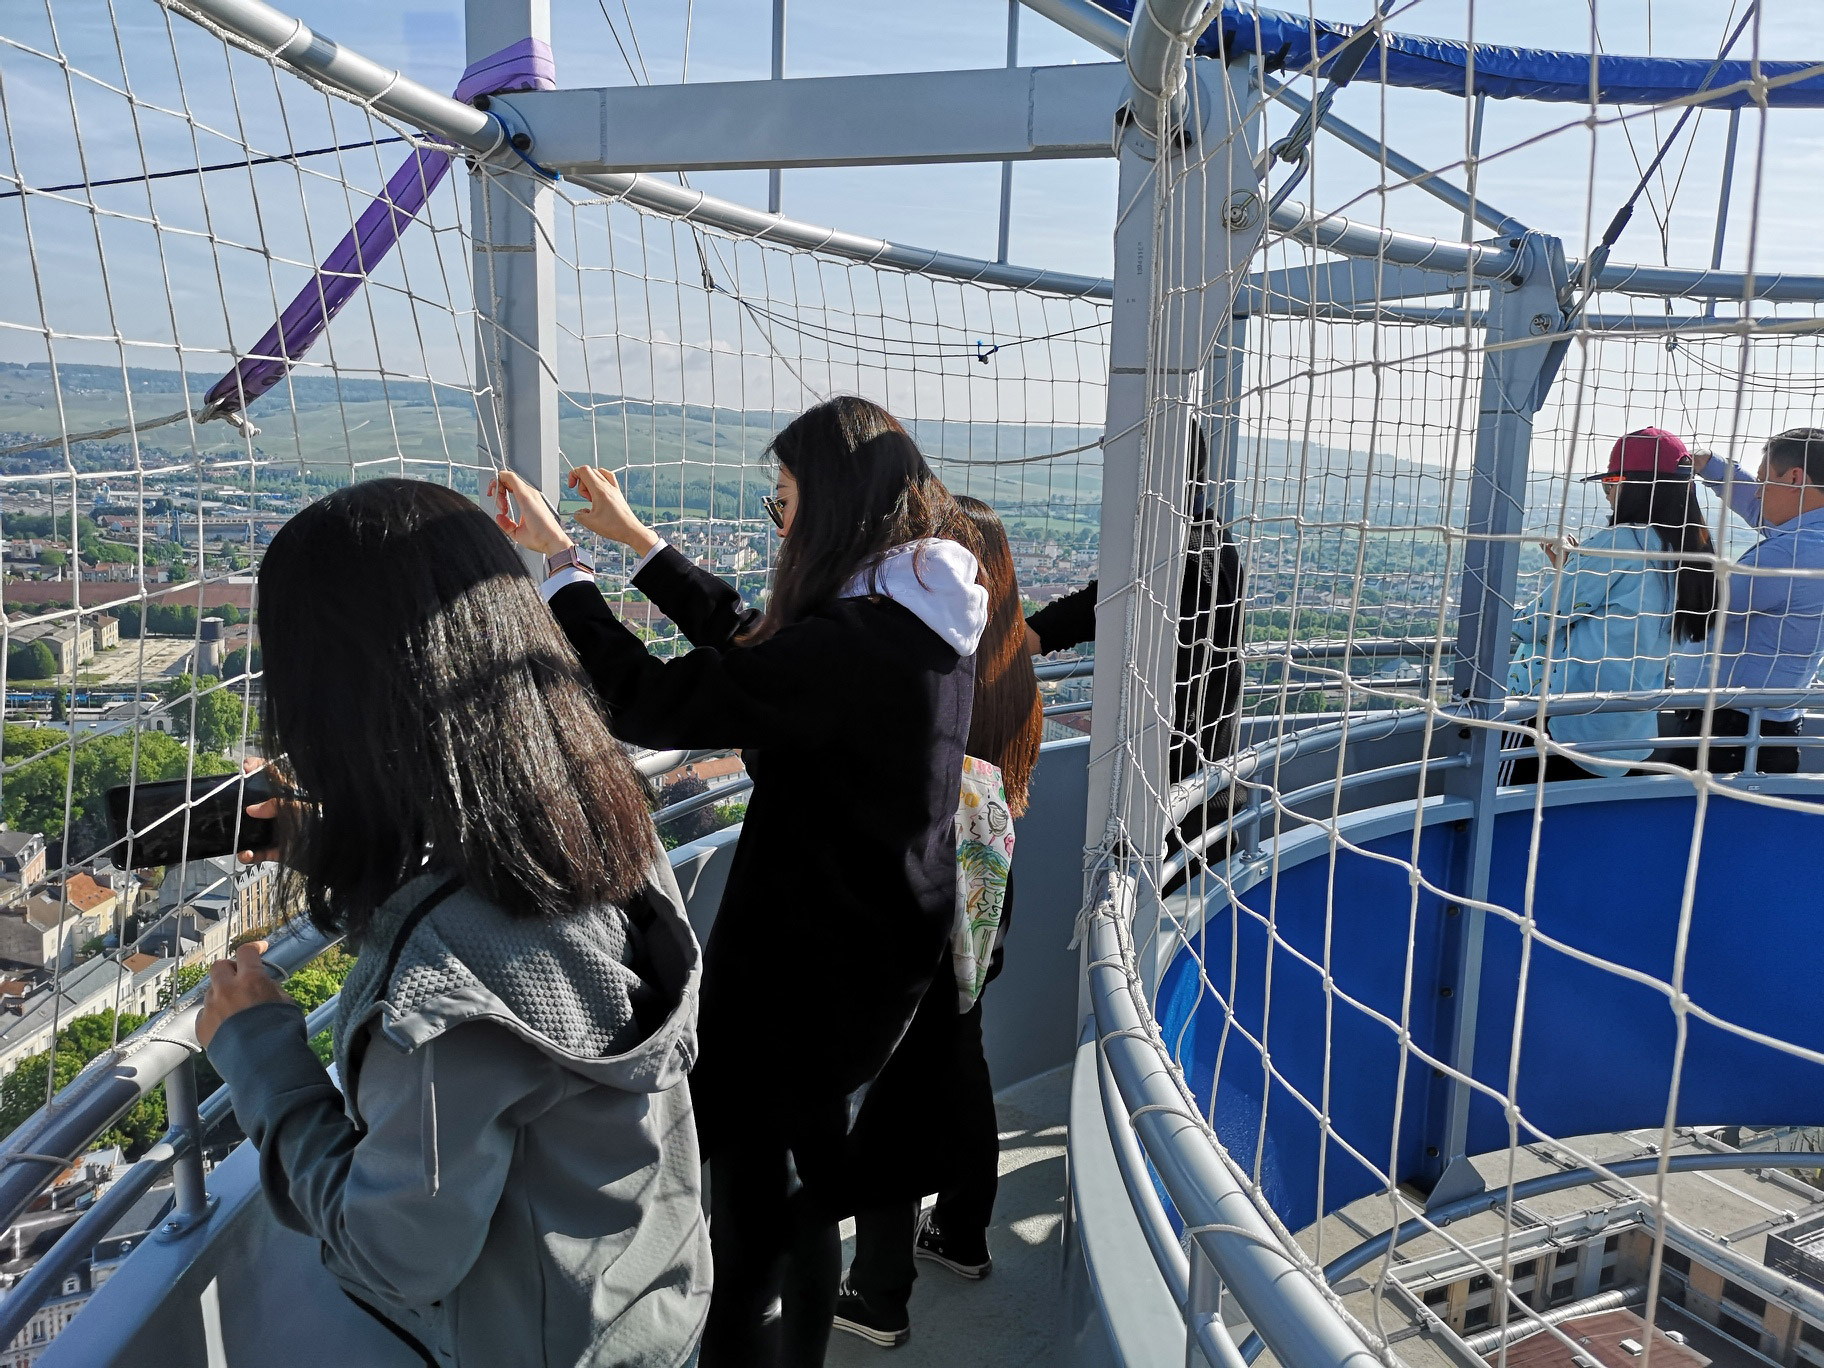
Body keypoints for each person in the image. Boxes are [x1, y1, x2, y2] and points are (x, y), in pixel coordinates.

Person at [490, 395, 987, 1368]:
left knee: (757, 1193)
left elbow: (650, 697)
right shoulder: (913, 610)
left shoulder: (861, 641)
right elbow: (764, 649)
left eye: (787, 504)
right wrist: (638, 544)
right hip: (873, 958)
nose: (782, 523)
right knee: (781, 1175)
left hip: (811, 973)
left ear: (839, 510)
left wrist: (560, 570)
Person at [197, 479, 709, 1368]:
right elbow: (501, 898)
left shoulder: (448, 986)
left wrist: (261, 1054)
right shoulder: (602, 825)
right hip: (651, 1303)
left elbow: (396, 1255)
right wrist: (337, 840)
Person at [833, 495, 1043, 1349]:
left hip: (919, 884)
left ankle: (877, 1292)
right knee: (960, 1053)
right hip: (987, 884)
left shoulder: (929, 656)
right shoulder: (1016, 656)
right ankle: (962, 1230)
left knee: (892, 1081)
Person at [1025, 425, 1245, 787]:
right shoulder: (1214, 536)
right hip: (1209, 774)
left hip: (1167, 786)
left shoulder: (1171, 558)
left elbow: (1084, 613)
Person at [1505, 428, 1718, 783]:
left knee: (1520, 827)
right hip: (1630, 735)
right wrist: (1575, 569)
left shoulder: (1619, 543)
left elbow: (1530, 624)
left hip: (1564, 730)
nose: (1607, 494)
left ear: (1636, 487)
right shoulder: (1691, 553)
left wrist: (1572, 573)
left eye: (1611, 482)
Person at [1659, 428, 1824, 774]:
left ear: (1795, 478)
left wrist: (1676, 516)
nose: (1759, 493)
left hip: (1731, 735)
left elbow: (1702, 605)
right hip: (1768, 728)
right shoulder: (1808, 537)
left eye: (1765, 481)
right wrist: (1712, 467)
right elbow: (1755, 503)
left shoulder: (1791, 554)